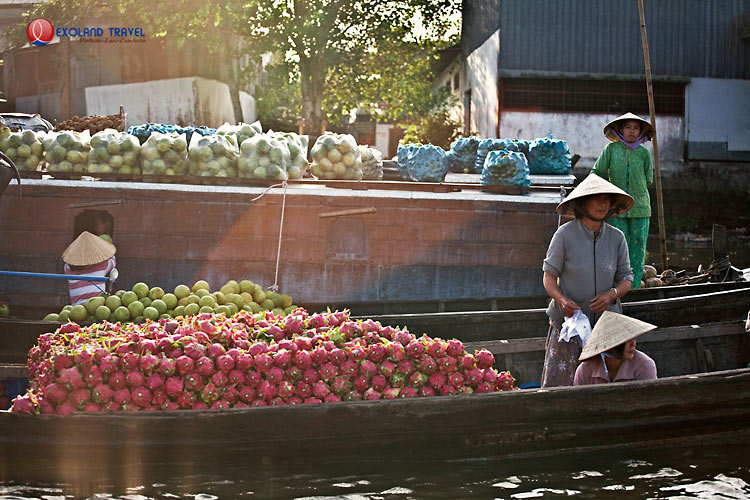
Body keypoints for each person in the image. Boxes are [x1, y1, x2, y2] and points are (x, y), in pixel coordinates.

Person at [541, 174, 635, 387]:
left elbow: (626, 278)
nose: (603, 204)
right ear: (583, 203)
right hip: (569, 324)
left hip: (607, 326)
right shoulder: (564, 235)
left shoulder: (617, 237)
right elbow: (548, 277)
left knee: (602, 385)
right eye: (596, 198)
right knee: (562, 386)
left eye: (606, 199)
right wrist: (563, 301)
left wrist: (611, 294)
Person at [590, 112, 654, 289]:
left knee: (638, 248)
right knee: (617, 247)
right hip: (616, 208)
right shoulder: (611, 150)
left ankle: (633, 288)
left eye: (636, 128)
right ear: (620, 130)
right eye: (628, 127)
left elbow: (649, 180)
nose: (632, 131)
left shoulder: (644, 154)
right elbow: (596, 173)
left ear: (640, 131)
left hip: (640, 208)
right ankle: (616, 288)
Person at [574, 311, 658, 385]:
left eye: (633, 338)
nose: (633, 344)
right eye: (626, 341)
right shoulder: (585, 370)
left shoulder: (644, 365)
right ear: (609, 346)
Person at [62, 231, 117, 305]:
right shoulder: (104, 265)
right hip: (96, 307)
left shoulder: (67, 268)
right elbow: (112, 258)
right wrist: (104, 246)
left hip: (76, 308)